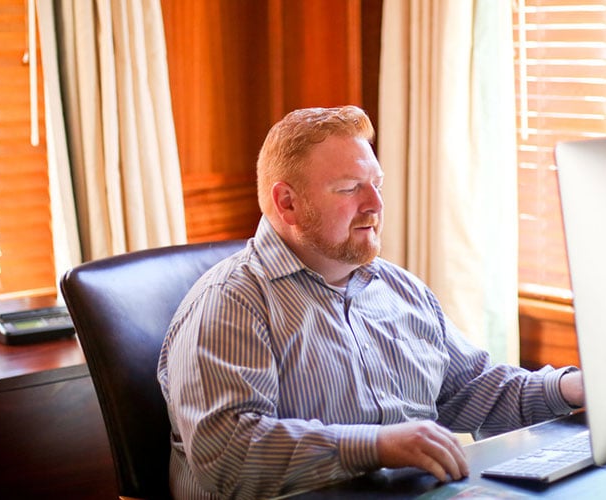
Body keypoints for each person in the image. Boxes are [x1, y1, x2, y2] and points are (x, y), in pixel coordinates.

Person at [157, 105, 584, 499]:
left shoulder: (399, 289)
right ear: (287, 203)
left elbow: (473, 389)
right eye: (349, 189)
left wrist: (570, 389)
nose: (376, 205)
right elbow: (228, 455)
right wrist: (376, 445)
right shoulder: (231, 304)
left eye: (376, 185)